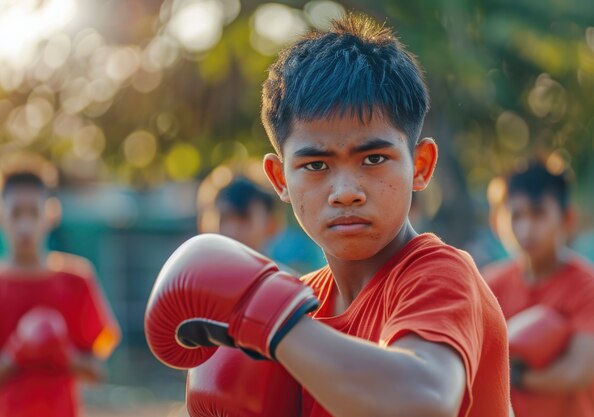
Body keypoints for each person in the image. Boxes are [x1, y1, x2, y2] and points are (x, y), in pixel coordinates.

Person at [145, 13, 510, 417]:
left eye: (374, 158)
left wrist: (264, 314)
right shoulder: (301, 306)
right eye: (316, 165)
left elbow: (423, 402)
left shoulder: (439, 275)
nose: (346, 192)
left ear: (420, 165)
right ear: (279, 179)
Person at [0, 153, 121, 417]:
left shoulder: (78, 280)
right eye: (16, 213)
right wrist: (14, 354)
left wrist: (64, 354)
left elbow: (99, 372)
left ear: (51, 214)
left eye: (33, 212)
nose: (25, 225)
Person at [483, 161, 594, 417]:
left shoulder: (587, 287)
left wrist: (515, 375)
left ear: (566, 219)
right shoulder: (490, 285)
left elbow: (577, 372)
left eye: (538, 213)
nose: (526, 229)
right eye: (516, 216)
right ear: (498, 221)